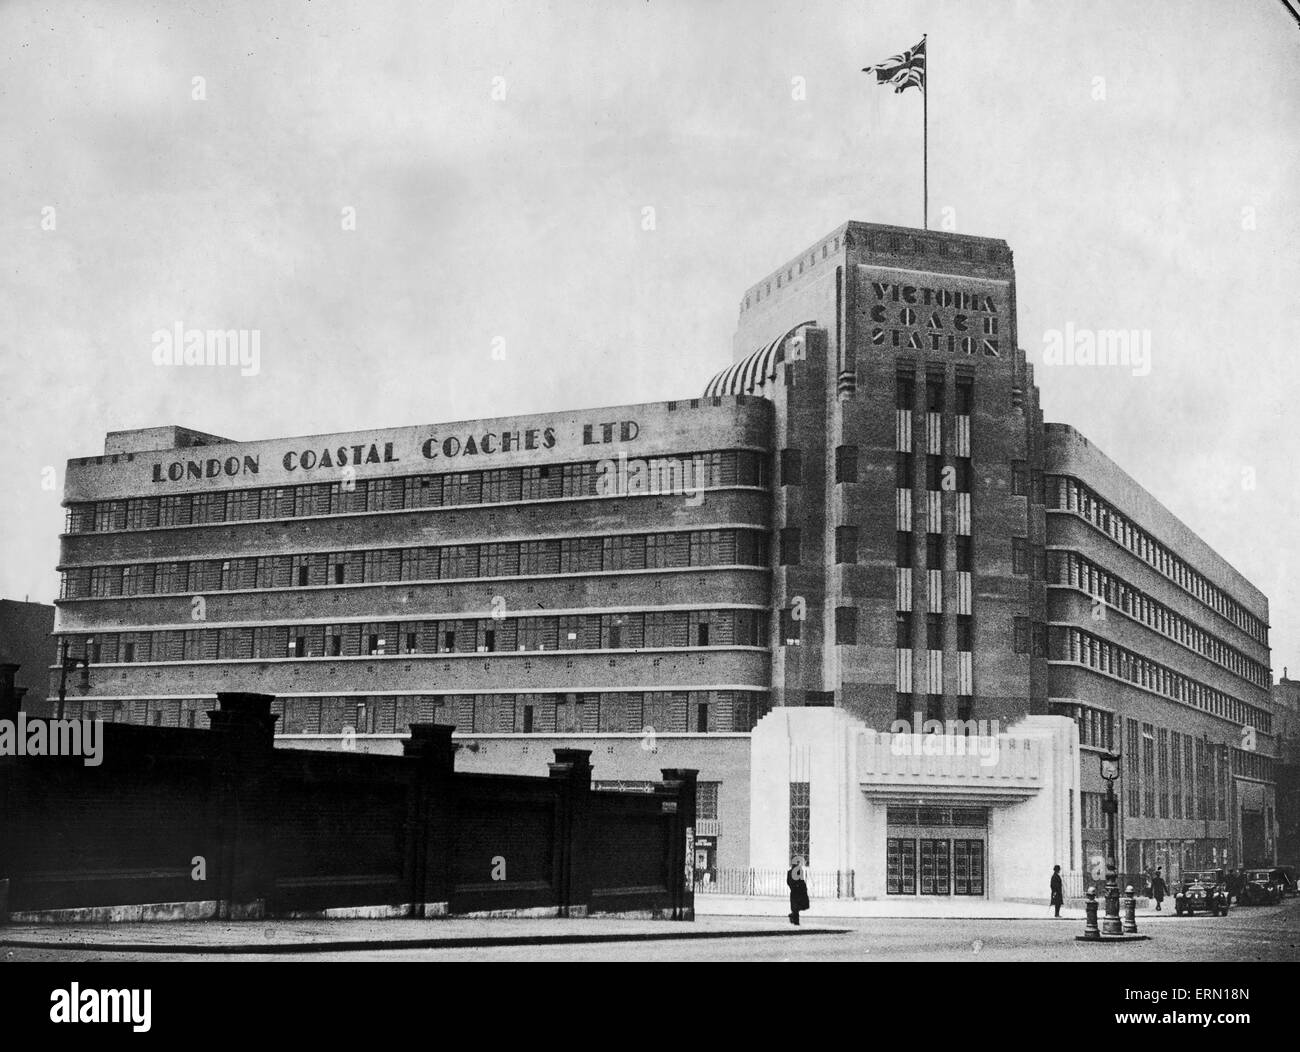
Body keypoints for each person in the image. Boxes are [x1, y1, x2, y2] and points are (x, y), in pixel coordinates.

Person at [787, 857, 810, 925]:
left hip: (796, 891)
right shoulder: (796, 872)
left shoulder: (793, 872)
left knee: (798, 907)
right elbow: (800, 881)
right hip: (797, 892)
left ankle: (793, 916)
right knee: (797, 907)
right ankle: (796, 922)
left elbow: (789, 882)